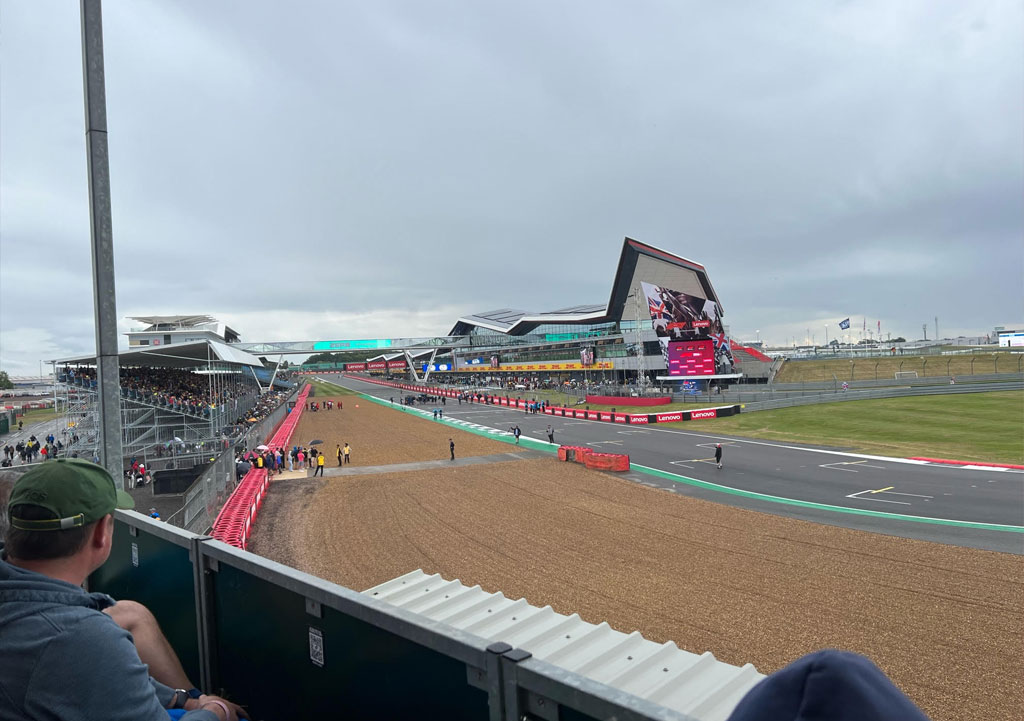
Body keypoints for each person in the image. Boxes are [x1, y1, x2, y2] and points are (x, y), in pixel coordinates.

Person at [0, 459, 242, 720]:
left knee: (130, 613)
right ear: (102, 533)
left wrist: (184, 701)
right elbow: (81, 650)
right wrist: (216, 712)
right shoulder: (80, 637)